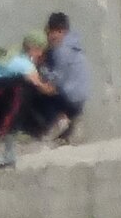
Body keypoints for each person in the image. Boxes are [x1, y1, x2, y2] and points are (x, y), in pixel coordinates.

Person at [0, 32, 59, 136]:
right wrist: (57, 91)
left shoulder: (15, 54)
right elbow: (40, 86)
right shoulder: (24, 64)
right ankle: (9, 130)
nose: (40, 54)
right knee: (25, 87)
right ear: (32, 48)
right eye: (39, 50)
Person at [35, 12, 90, 143]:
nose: (49, 37)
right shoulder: (76, 47)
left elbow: (56, 80)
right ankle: (74, 125)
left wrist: (41, 68)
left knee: (38, 91)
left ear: (60, 31)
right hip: (81, 100)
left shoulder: (61, 50)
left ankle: (59, 121)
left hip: (69, 97)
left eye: (50, 32)